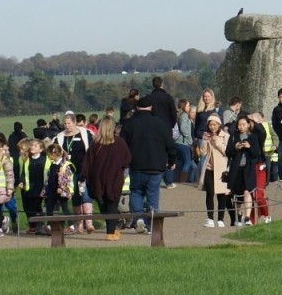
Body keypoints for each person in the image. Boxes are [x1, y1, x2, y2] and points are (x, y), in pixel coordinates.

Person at [121, 101, 174, 234]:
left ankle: (138, 218)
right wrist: (172, 160)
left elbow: (123, 146)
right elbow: (170, 143)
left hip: (136, 165)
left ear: (137, 107)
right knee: (153, 195)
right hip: (156, 165)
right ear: (151, 107)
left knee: (136, 192)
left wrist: (124, 163)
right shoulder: (160, 123)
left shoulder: (129, 124)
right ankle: (152, 226)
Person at [83, 117, 132, 242]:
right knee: (112, 204)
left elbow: (88, 163)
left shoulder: (95, 144)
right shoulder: (120, 143)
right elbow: (127, 160)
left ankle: (112, 228)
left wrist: (85, 177)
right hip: (114, 179)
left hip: (97, 179)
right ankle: (110, 232)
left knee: (103, 204)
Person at [197, 115, 231, 227]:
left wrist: (217, 142)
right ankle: (210, 218)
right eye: (210, 125)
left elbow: (227, 152)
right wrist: (205, 141)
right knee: (210, 192)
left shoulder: (225, 136)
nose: (212, 127)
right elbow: (203, 153)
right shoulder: (207, 136)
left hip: (221, 170)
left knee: (221, 194)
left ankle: (220, 219)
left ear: (219, 125)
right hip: (209, 168)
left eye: (214, 125)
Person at [226, 116, 260, 226]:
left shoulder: (253, 137)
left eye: (243, 124)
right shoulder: (234, 136)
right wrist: (235, 147)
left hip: (248, 169)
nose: (241, 127)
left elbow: (256, 154)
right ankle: (239, 215)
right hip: (236, 169)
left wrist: (249, 147)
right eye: (239, 124)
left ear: (248, 124)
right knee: (237, 194)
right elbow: (228, 152)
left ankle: (247, 217)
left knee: (247, 191)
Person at [19, 137, 51, 235]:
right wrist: (22, 181)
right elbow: (24, 172)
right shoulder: (27, 159)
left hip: (42, 187)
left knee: (39, 206)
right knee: (31, 207)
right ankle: (35, 226)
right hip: (30, 187)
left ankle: (42, 225)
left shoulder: (45, 159)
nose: (32, 147)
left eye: (35, 146)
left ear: (41, 149)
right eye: (32, 145)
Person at [42, 142, 76, 223]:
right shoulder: (52, 164)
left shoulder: (65, 165)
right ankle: (50, 225)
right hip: (52, 190)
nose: (48, 156)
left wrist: (61, 188)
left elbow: (67, 178)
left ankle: (71, 225)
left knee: (65, 208)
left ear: (53, 154)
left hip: (62, 190)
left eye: (48, 154)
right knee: (49, 207)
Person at [173, 99, 198, 186]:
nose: (189, 107)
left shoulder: (179, 115)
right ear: (184, 106)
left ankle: (178, 179)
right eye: (188, 106)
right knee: (187, 161)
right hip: (183, 142)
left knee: (182, 161)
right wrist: (189, 139)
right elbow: (183, 128)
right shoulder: (184, 115)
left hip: (178, 142)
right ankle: (182, 180)